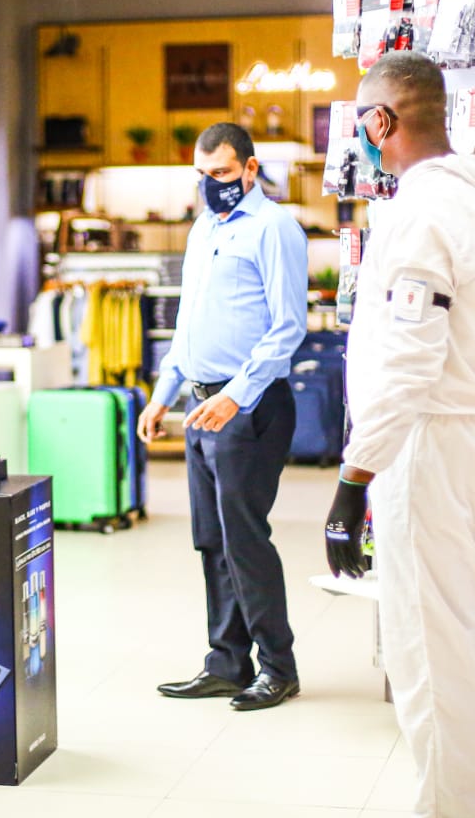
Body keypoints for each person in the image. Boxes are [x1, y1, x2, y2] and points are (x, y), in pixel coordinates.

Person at [322, 51, 475, 818]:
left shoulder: (423, 209)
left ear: (382, 121)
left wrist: (355, 477)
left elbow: (410, 356)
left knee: (428, 651)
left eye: (362, 122)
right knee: (464, 634)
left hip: (434, 441)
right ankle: (469, 800)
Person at [137, 122, 308, 711]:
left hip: (250, 405)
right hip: (199, 402)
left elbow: (289, 327)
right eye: (202, 175)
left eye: (223, 174)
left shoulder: (275, 227)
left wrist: (237, 394)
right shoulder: (203, 229)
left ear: (251, 169)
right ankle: (227, 663)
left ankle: (277, 666)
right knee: (211, 538)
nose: (211, 185)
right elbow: (189, 321)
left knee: (243, 536)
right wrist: (163, 393)